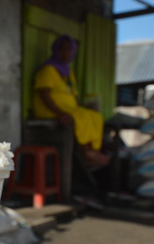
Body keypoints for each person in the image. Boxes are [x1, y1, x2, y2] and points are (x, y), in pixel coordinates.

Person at [33, 35, 109, 167]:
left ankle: (93, 150)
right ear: (56, 50)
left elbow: (74, 95)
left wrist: (80, 107)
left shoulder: (68, 73)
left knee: (95, 116)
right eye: (62, 49)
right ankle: (86, 152)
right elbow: (44, 95)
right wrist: (60, 113)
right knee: (80, 117)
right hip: (50, 110)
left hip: (68, 109)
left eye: (69, 49)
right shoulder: (48, 70)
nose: (66, 53)